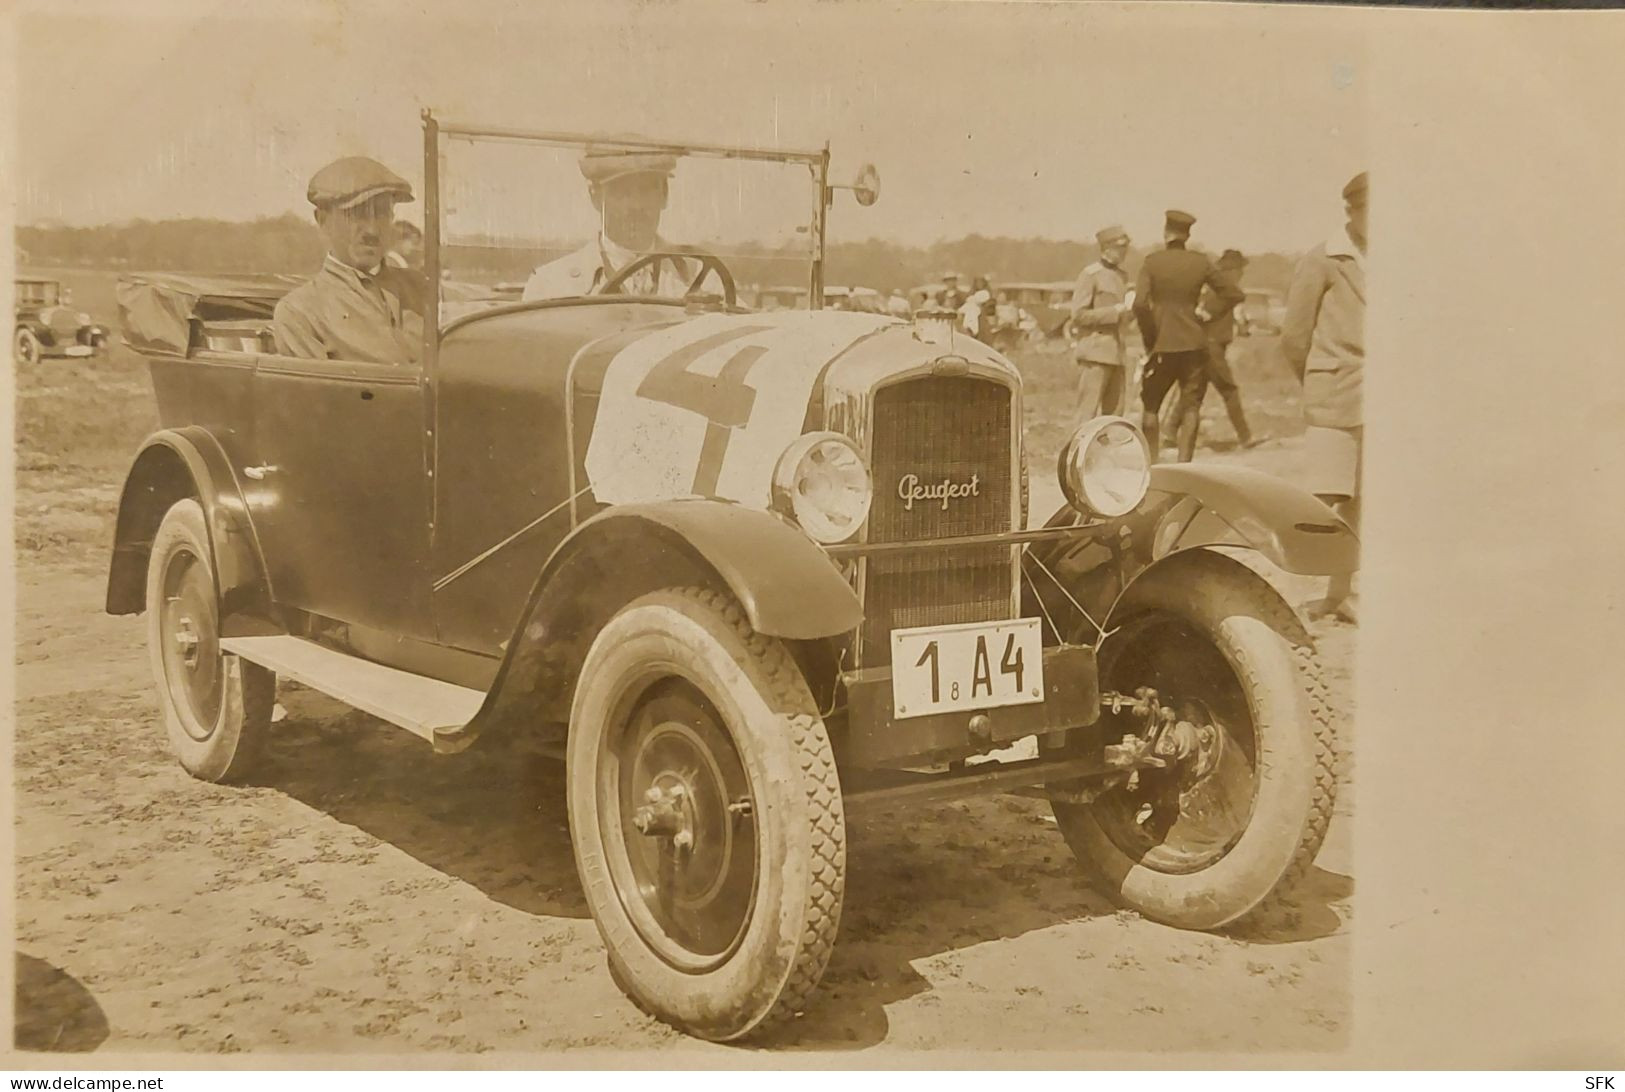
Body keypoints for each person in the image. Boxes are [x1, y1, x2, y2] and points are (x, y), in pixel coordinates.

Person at [1281, 171, 1366, 624]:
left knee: (1367, 499)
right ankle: (1323, 594)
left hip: (1380, 398)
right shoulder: (1324, 259)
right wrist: (1317, 379)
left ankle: (1344, 593)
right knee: (1329, 499)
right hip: (1334, 393)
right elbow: (1294, 336)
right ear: (1351, 212)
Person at [272, 156, 424, 365]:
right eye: (356, 214)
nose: (371, 230)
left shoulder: (424, 289)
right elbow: (317, 396)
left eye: (381, 213)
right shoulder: (300, 312)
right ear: (323, 220)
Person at [1132, 209, 1241, 461]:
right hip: (1194, 344)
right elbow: (1233, 294)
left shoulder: (1152, 262)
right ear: (1187, 235)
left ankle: (1152, 465)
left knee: (1151, 406)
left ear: (1165, 233)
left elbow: (1139, 304)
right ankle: (1184, 466)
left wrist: (1151, 338)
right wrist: (1207, 314)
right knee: (1191, 406)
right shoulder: (1200, 262)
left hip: (1161, 346)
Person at [522, 148, 699, 301]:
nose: (635, 205)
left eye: (646, 190)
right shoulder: (551, 286)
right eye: (621, 192)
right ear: (596, 197)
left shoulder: (700, 279)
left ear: (664, 195)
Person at [1069, 224, 1135, 420]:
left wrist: (1132, 310)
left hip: (1117, 353)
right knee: (1086, 413)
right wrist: (1114, 311)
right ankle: (1075, 451)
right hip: (1095, 353)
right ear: (1106, 248)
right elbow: (1079, 315)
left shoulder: (1123, 277)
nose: (1124, 253)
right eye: (1120, 248)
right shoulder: (1090, 275)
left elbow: (1125, 317)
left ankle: (1106, 451)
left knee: (1115, 415)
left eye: (1125, 248)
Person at [1195, 248, 1257, 448]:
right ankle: (1245, 436)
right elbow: (1208, 314)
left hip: (1206, 345)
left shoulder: (1214, 289)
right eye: (1240, 270)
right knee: (1229, 390)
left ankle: (1169, 432)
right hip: (1212, 346)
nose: (1242, 274)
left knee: (1195, 390)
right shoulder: (1223, 291)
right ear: (1232, 270)